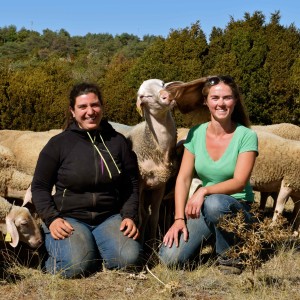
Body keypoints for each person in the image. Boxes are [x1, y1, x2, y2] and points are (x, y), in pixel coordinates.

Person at [31, 82, 143, 278]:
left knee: (129, 259)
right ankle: (52, 257)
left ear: (102, 106)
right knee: (75, 266)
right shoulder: (58, 144)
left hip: (109, 217)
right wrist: (52, 218)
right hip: (69, 218)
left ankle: (93, 249)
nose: (90, 112)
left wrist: (129, 215)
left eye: (95, 105)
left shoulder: (118, 142)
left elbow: (131, 183)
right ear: (72, 111)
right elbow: (39, 187)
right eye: (82, 107)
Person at [159, 75, 258, 274]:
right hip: (206, 207)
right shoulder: (196, 133)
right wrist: (179, 219)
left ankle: (231, 258)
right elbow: (184, 178)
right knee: (170, 258)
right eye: (215, 98)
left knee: (215, 204)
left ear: (235, 101)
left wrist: (204, 190)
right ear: (206, 101)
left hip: (237, 208)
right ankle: (215, 235)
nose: (221, 103)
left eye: (227, 98)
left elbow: (239, 182)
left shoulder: (246, 136)